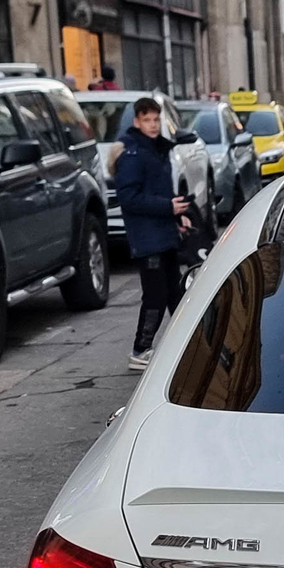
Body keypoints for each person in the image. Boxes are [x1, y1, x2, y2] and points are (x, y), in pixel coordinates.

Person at [113, 94, 192, 370]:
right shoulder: (134, 154)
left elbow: (160, 190)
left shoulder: (156, 149)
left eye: (156, 119)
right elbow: (129, 198)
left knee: (175, 292)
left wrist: (178, 215)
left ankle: (186, 344)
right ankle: (141, 348)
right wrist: (167, 208)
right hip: (147, 237)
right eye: (147, 120)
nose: (153, 124)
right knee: (156, 294)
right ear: (137, 121)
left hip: (163, 233)